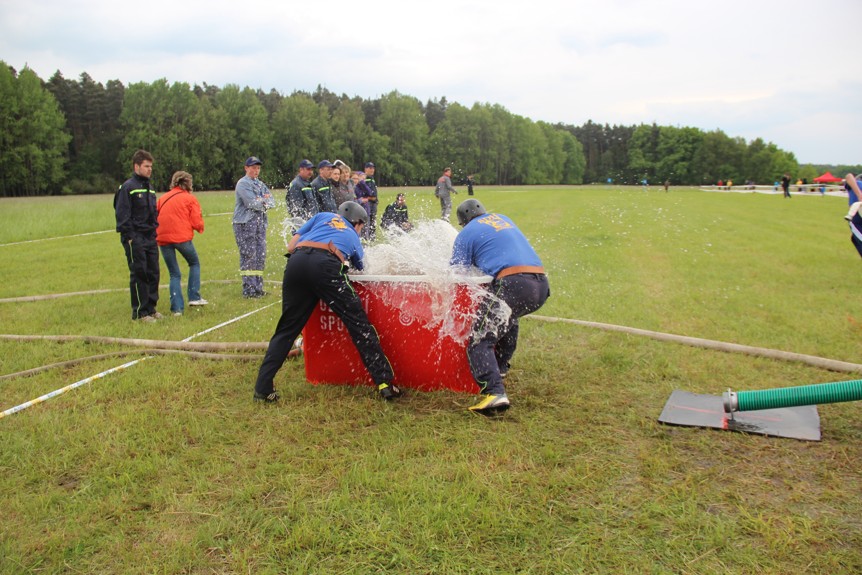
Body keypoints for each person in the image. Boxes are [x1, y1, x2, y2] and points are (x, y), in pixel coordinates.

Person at [253, 201, 401, 403]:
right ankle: (385, 384)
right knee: (359, 326)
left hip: (295, 263)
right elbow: (362, 269)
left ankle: (263, 388)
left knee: (287, 329)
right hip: (326, 267)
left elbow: (291, 246)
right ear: (357, 223)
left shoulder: (322, 216)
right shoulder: (353, 237)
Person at [450, 199, 550, 415]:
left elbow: (457, 272)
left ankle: (494, 392)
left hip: (514, 283)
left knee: (479, 339)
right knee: (508, 318)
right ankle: (501, 367)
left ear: (463, 221)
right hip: (541, 285)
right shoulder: (503, 219)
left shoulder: (466, 233)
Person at [114, 149, 161, 322]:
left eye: (151, 166)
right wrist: (130, 237)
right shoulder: (127, 188)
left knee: (153, 272)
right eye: (146, 166)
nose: (150, 169)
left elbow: (153, 213)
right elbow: (122, 215)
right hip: (135, 237)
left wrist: (154, 231)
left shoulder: (149, 188)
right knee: (139, 272)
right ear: (136, 166)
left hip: (150, 236)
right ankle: (140, 312)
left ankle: (151, 308)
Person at [156, 170, 206, 315]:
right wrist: (200, 228)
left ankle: (177, 309)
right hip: (181, 238)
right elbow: (197, 221)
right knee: (194, 263)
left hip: (162, 239)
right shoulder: (189, 199)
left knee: (174, 274)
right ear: (188, 183)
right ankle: (194, 297)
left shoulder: (163, 198)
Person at [232, 156, 275, 299]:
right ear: (246, 168)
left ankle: (258, 287)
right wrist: (263, 201)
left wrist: (262, 201)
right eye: (253, 167)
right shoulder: (242, 184)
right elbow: (252, 203)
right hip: (245, 224)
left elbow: (272, 201)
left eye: (258, 168)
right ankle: (248, 289)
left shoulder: (260, 184)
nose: (256, 170)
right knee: (249, 255)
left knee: (260, 256)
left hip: (260, 223)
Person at [354, 170, 376, 240]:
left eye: (364, 179)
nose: (363, 180)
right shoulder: (355, 187)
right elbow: (359, 195)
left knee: (365, 233)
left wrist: (362, 183)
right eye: (361, 179)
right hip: (358, 212)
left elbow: (370, 193)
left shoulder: (362, 185)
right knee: (358, 233)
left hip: (366, 211)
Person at [845, 174, 862, 259]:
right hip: (856, 216)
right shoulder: (857, 184)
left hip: (857, 218)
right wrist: (859, 195)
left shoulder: (857, 183)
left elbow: (849, 176)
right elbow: (849, 176)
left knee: (857, 238)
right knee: (856, 238)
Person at [361, 162, 380, 239]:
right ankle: (366, 237)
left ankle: (372, 237)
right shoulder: (364, 178)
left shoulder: (372, 178)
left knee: (373, 221)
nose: (372, 170)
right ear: (366, 169)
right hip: (368, 203)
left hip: (373, 203)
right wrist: (370, 198)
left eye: (373, 168)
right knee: (367, 221)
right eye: (370, 168)